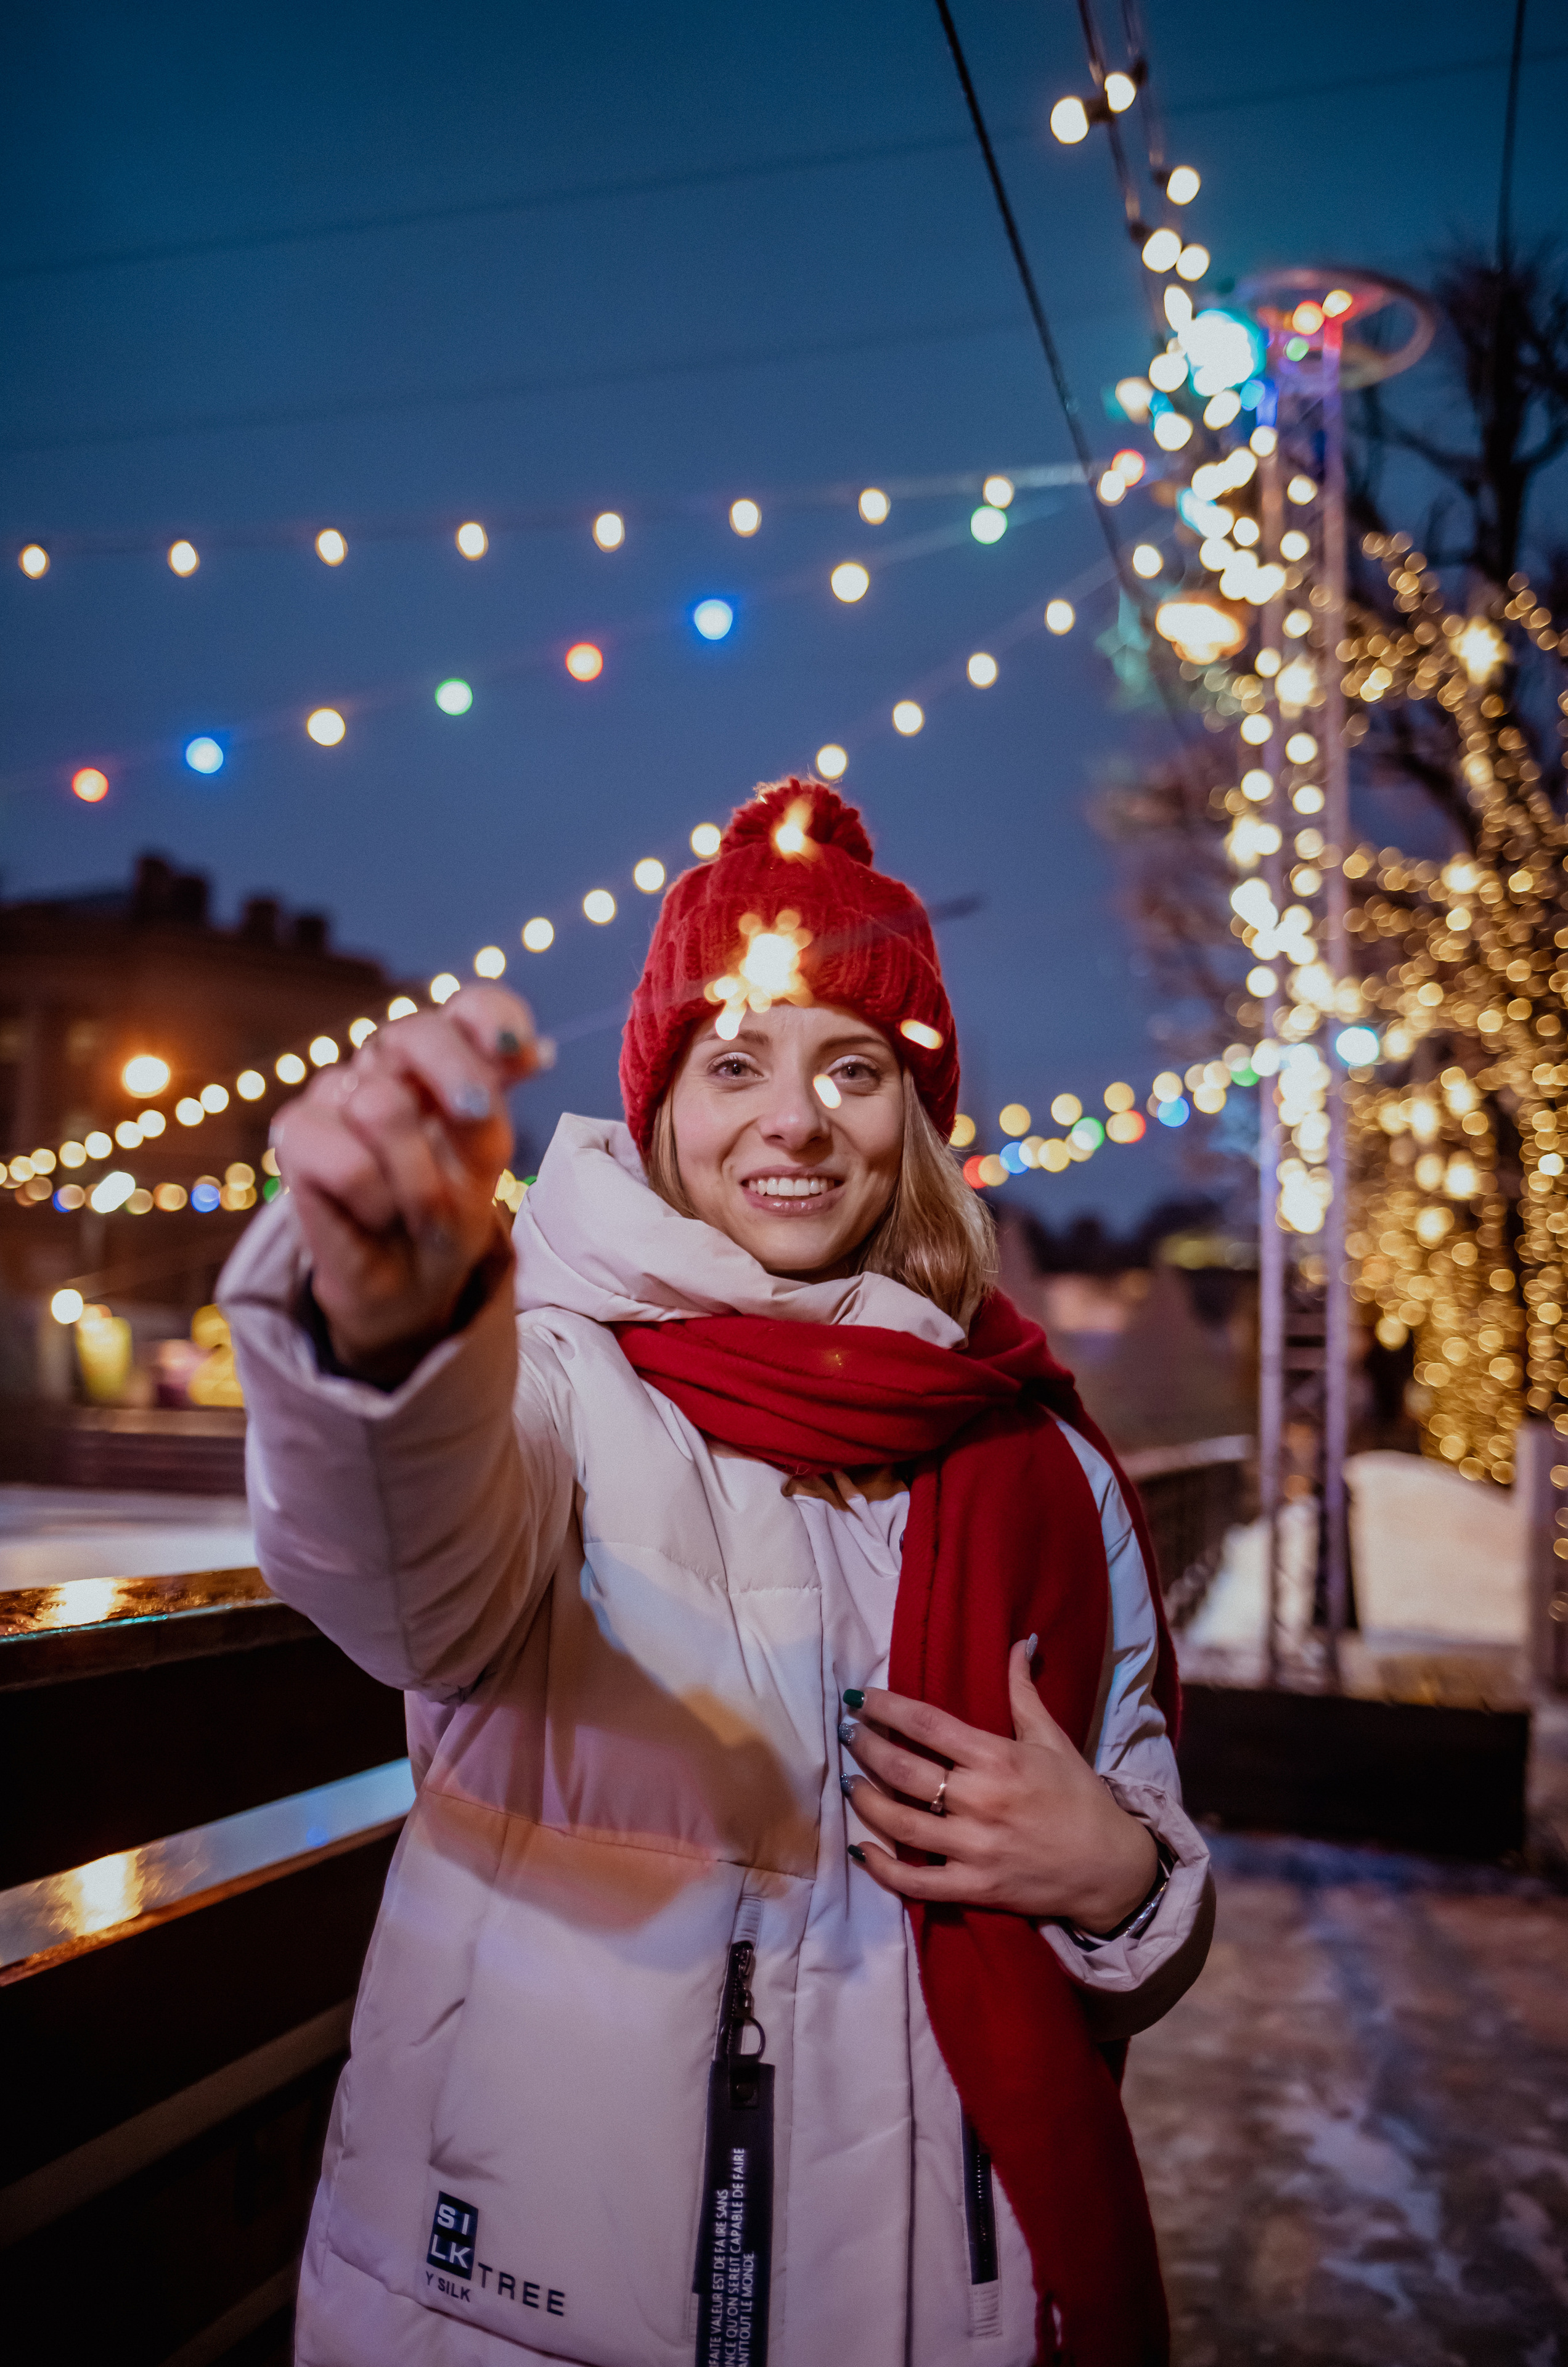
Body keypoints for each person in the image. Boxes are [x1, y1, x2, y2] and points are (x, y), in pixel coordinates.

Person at [221, 780, 1214, 2367]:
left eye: (855, 1069)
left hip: (935, 2307)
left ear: (918, 1118)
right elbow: (407, 1569)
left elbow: (1143, 1824)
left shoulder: (1041, 1461)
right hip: (527, 2314)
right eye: (735, 1061)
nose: (795, 1120)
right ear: (663, 1107)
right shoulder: (552, 1385)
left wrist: (1122, 1880)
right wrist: (391, 1337)